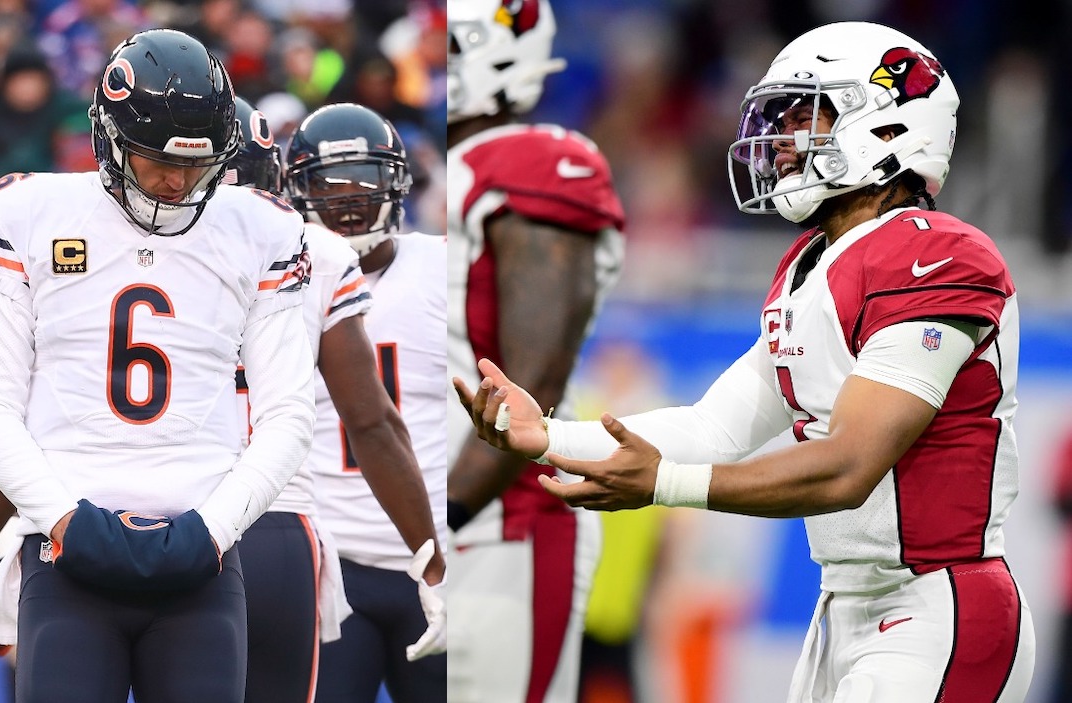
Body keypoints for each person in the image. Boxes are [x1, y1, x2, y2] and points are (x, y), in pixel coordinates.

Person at [456, 21, 1035, 703]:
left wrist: (665, 483)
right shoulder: (807, 266)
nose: (783, 141)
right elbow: (713, 427)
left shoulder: (937, 255)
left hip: (938, 602)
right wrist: (545, 435)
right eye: (780, 118)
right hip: (845, 604)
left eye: (806, 116)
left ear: (888, 128)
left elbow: (850, 464)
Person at [0, 29, 315, 703]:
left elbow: (290, 412)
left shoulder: (259, 227)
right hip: (66, 555)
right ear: (110, 138)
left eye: (197, 164)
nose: (178, 181)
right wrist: (65, 519)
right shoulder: (24, 212)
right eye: (157, 161)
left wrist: (212, 529)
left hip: (203, 555)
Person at [226, 98, 445, 703]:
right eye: (329, 184)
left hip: (437, 549)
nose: (348, 198)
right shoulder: (285, 273)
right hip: (330, 556)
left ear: (397, 182)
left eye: (364, 180)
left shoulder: (444, 270)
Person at [444, 1, 627, 701]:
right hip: (404, 528)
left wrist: (440, 521)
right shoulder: (426, 168)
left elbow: (530, 384)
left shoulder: (532, 159)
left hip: (498, 528)